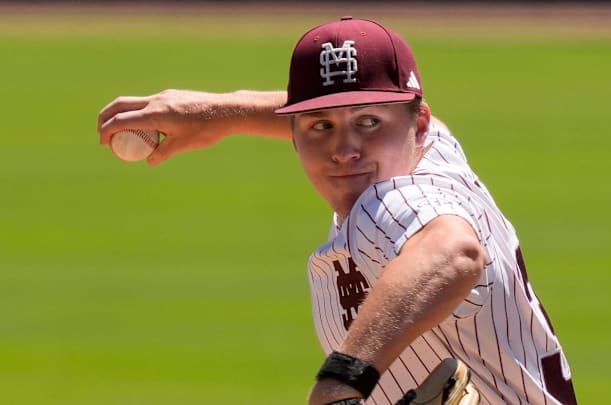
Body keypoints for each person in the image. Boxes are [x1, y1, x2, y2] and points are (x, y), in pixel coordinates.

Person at [97, 16, 577, 405]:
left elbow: (453, 252)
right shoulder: (434, 150)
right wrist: (223, 112)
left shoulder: (389, 203)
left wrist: (342, 380)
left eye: (370, 122)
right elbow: (349, 114)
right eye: (319, 126)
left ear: (419, 123)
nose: (345, 149)